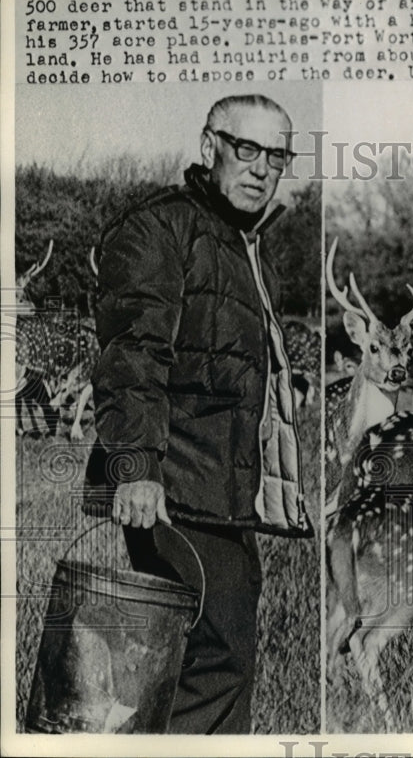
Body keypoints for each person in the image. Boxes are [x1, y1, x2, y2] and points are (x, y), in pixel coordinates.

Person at [84, 94, 313, 734]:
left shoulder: (240, 240)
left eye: (277, 155)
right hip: (173, 485)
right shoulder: (160, 229)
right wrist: (135, 468)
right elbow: (133, 357)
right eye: (248, 149)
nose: (263, 168)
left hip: (222, 490)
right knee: (216, 658)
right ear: (210, 146)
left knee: (210, 655)